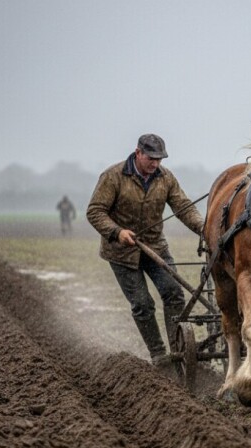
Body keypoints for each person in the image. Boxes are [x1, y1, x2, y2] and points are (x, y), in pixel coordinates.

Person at [86, 134, 205, 367]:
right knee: (142, 303)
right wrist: (117, 232)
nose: (155, 163)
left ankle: (178, 350)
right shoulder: (113, 176)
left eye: (159, 159)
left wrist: (203, 228)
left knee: (173, 292)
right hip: (121, 252)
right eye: (151, 158)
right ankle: (159, 355)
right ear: (138, 153)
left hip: (155, 246)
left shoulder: (165, 178)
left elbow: (183, 207)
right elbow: (95, 211)